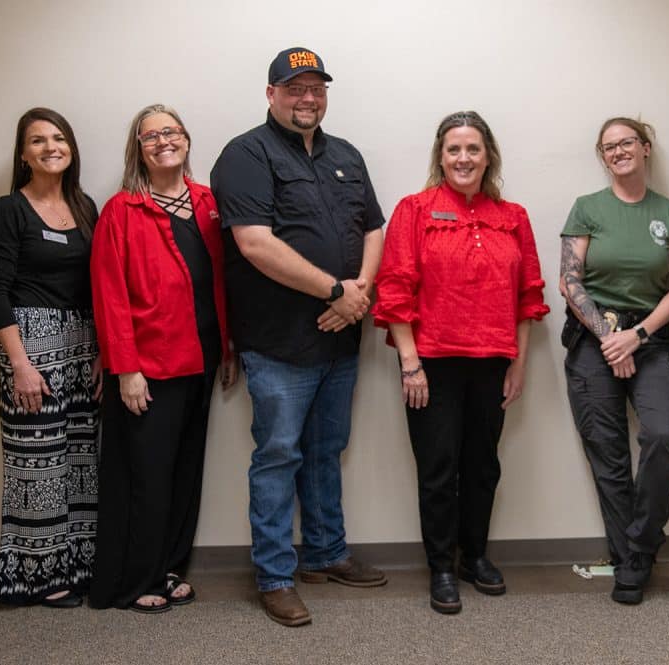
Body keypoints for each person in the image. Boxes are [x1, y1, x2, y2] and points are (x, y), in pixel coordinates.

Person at [211, 47, 387, 627]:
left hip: (340, 341)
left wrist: (357, 291)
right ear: (271, 95)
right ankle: (275, 576)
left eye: (316, 87)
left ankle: (326, 553)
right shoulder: (244, 155)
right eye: (294, 88)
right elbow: (255, 244)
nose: (307, 97)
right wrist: (337, 293)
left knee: (326, 451)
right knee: (278, 456)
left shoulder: (346, 155)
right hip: (279, 343)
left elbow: (373, 229)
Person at [373, 110, 550, 614]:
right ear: (440, 156)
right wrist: (410, 363)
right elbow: (395, 287)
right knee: (437, 467)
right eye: (454, 149)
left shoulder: (512, 216)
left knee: (483, 465)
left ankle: (475, 556)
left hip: (493, 359)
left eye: (473, 148)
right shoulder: (415, 209)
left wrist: (518, 363)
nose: (464, 158)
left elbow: (528, 294)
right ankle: (441, 568)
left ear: (487, 155)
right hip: (431, 362)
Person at [89, 104, 236, 614]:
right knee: (146, 475)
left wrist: (229, 347)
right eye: (149, 136)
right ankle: (135, 580)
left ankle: (170, 565)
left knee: (184, 471)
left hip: (202, 357)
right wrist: (124, 368)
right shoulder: (121, 210)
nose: (162, 141)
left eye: (170, 132)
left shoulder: (208, 203)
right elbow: (109, 296)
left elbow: (221, 281)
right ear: (139, 149)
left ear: (187, 140)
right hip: (149, 367)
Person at [559, 117, 669, 605]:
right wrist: (609, 338)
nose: (618, 151)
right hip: (595, 340)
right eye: (608, 147)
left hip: (652, 339)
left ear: (646, 148)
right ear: (603, 156)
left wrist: (635, 337)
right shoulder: (588, 208)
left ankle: (640, 545)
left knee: (660, 436)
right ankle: (631, 563)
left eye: (626, 143)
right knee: (609, 456)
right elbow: (569, 283)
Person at [0, 107, 101, 608]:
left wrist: (101, 352)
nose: (50, 147)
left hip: (83, 346)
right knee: (38, 466)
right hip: (31, 347)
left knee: (79, 462)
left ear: (70, 147)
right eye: (37, 141)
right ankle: (36, 574)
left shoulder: (85, 205)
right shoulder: (9, 209)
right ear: (23, 153)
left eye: (58, 138)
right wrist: (21, 365)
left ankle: (78, 564)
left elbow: (98, 285)